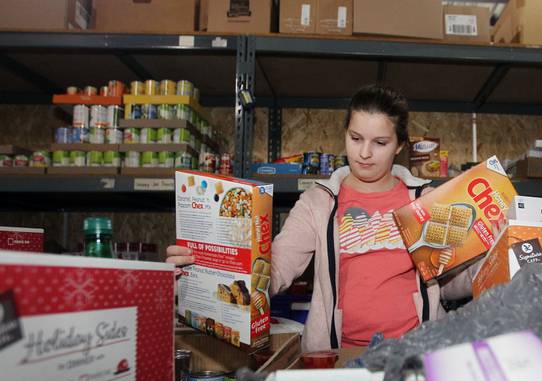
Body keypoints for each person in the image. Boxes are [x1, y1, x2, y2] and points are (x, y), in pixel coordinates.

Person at [168, 84, 475, 351]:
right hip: (338, 356)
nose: (364, 153)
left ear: (399, 146)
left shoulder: (424, 200)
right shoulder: (319, 202)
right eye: (355, 138)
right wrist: (206, 269)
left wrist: (490, 252)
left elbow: (450, 284)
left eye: (380, 143)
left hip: (417, 353)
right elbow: (274, 269)